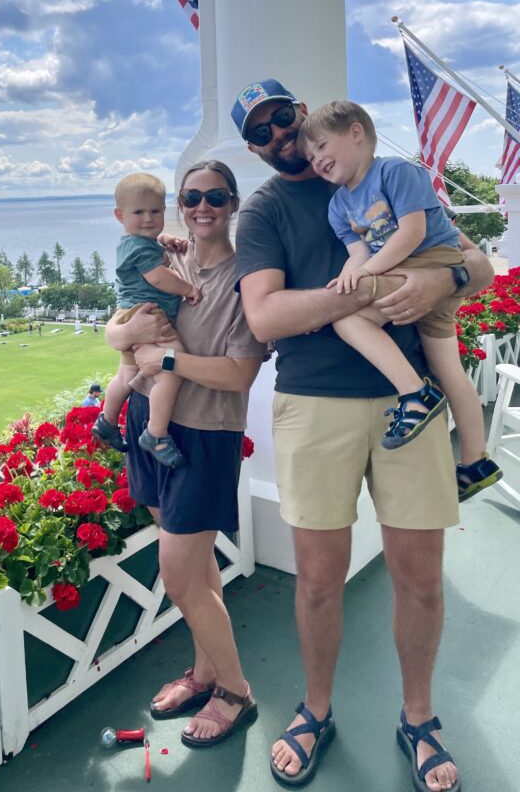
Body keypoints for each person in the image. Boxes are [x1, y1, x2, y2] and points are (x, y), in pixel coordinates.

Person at [231, 78, 493, 791]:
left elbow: (479, 263)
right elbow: (265, 318)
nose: (282, 137)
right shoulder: (264, 212)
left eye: (286, 118)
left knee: (420, 581)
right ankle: (315, 709)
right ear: (253, 149)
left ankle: (419, 717)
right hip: (316, 405)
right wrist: (371, 292)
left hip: (410, 404)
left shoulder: (388, 174)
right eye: (262, 132)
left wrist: (443, 284)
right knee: (318, 581)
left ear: (313, 116)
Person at [106, 160, 269, 748]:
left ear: (232, 202)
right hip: (151, 424)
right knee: (198, 573)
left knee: (181, 580)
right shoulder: (164, 255)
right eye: (192, 196)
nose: (203, 206)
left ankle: (236, 691)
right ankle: (204, 673)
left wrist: (167, 361)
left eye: (216, 196)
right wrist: (121, 339)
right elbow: (122, 322)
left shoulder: (247, 278)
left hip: (203, 436)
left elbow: (239, 372)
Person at [297, 99, 502, 500]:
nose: (316, 159)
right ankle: (477, 461)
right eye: (310, 155)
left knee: (348, 319)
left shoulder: (395, 171)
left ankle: (415, 394)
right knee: (451, 371)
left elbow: (410, 233)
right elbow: (357, 254)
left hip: (431, 259)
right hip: (400, 268)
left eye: (321, 146)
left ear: (356, 132)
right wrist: (342, 281)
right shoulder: (339, 205)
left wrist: (366, 275)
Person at [93, 172, 202, 468]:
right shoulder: (141, 247)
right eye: (138, 212)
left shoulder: (137, 243)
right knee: (173, 367)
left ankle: (107, 420)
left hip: (130, 312)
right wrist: (188, 288)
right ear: (119, 215)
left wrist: (164, 242)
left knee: (127, 375)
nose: (147, 218)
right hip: (149, 314)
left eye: (155, 211)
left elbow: (154, 256)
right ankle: (156, 433)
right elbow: (157, 276)